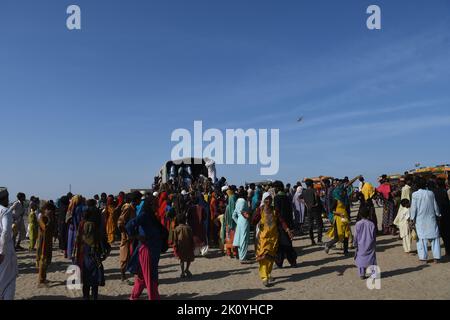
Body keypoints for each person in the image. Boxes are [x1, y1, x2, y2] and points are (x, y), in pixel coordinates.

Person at [253, 192, 293, 287]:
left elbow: (281, 221)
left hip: (273, 238)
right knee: (263, 257)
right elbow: (253, 221)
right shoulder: (260, 210)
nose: (268, 201)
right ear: (263, 200)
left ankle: (268, 273)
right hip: (263, 238)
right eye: (266, 199)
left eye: (270, 199)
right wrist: (256, 220)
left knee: (271, 258)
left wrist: (287, 230)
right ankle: (264, 277)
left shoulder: (275, 210)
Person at [126, 195, 162, 300]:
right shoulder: (144, 215)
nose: (157, 206)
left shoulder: (151, 216)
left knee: (142, 277)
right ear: (150, 205)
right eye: (155, 204)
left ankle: (133, 297)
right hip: (147, 250)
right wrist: (137, 236)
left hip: (153, 250)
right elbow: (129, 225)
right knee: (150, 277)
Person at [73, 200, 109, 300]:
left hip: (83, 253)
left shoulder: (81, 224)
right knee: (94, 278)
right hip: (93, 253)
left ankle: (86, 297)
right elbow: (100, 239)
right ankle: (94, 297)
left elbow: (77, 240)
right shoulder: (94, 225)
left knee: (85, 278)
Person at [410, 177, 441, 263]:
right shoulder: (431, 193)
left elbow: (413, 208)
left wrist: (412, 218)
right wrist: (438, 214)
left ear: (416, 185)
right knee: (435, 238)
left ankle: (423, 258)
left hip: (420, 220)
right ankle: (437, 257)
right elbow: (435, 206)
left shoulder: (415, 194)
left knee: (421, 239)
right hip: (431, 218)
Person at [117, 192, 140, 281]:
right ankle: (123, 275)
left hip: (131, 235)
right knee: (125, 254)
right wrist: (125, 233)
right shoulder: (128, 208)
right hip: (127, 236)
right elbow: (120, 222)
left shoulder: (133, 208)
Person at [274, 181, 297, 268]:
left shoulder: (277, 198)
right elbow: (290, 211)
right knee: (287, 242)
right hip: (288, 222)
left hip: (280, 223)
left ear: (277, 188)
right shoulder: (287, 197)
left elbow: (277, 212)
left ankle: (281, 262)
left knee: (282, 243)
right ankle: (291, 261)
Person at [0, 187, 18, 300]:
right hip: (5, 251)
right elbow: (6, 231)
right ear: (4, 198)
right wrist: (2, 251)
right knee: (9, 281)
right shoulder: (5, 211)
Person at [324, 183, 351, 255]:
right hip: (338, 218)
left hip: (345, 218)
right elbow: (332, 210)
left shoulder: (345, 198)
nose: (343, 192)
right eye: (342, 191)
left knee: (346, 234)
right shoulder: (336, 200)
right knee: (337, 236)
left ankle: (346, 251)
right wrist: (339, 214)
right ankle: (328, 245)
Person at [353, 206, 377, 280]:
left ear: (360, 215)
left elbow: (356, 235)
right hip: (370, 243)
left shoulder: (358, 224)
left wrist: (355, 243)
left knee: (361, 259)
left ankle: (362, 274)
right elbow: (374, 235)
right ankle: (373, 273)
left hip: (360, 244)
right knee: (372, 258)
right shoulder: (371, 224)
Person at [36, 202, 56, 287]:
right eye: (49, 210)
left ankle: (43, 278)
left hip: (47, 242)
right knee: (43, 260)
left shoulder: (49, 217)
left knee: (46, 260)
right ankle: (41, 280)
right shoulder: (42, 218)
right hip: (43, 242)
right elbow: (45, 228)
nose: (51, 212)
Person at [173, 212, 195, 278]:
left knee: (181, 259)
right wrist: (193, 245)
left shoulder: (176, 229)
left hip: (180, 246)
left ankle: (182, 272)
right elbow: (191, 237)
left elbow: (175, 239)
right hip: (188, 245)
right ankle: (187, 269)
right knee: (189, 258)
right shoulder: (188, 228)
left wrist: (175, 246)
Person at [232, 190, 251, 263]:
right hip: (244, 220)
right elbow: (243, 212)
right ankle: (243, 258)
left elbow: (233, 215)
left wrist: (238, 222)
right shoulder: (243, 201)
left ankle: (241, 256)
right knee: (244, 239)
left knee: (240, 239)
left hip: (240, 221)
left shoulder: (237, 201)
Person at [432, 178, 450, 256]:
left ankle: (447, 250)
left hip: (439, 215)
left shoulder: (434, 192)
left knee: (443, 233)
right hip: (447, 213)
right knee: (447, 233)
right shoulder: (445, 191)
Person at [302, 179, 323, 245]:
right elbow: (317, 198)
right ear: (312, 184)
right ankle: (319, 240)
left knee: (310, 226)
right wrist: (316, 203)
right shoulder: (314, 190)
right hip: (315, 209)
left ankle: (312, 240)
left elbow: (299, 198)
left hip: (309, 210)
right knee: (319, 225)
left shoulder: (304, 192)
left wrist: (305, 203)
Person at [66, 195, 85, 261]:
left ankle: (70, 255)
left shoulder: (71, 206)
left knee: (71, 242)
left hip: (71, 228)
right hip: (78, 227)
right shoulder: (81, 207)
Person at [223, 187, 238, 258]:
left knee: (228, 238)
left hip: (228, 226)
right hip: (234, 226)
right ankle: (235, 252)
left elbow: (225, 218)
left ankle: (229, 252)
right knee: (234, 238)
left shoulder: (227, 207)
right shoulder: (235, 208)